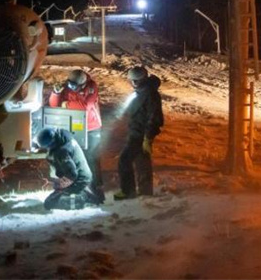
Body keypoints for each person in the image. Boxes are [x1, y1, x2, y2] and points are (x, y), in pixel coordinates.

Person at [48, 69, 104, 202]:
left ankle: (96, 192)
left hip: (91, 128)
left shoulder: (91, 87)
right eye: (70, 84)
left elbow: (85, 107)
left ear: (82, 84)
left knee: (90, 158)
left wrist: (66, 104)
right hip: (73, 128)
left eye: (74, 86)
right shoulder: (67, 87)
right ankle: (76, 189)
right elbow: (54, 105)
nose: (71, 88)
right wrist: (55, 93)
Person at [114, 66, 164, 200]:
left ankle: (128, 191)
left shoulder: (150, 94)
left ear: (144, 79)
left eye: (137, 81)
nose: (134, 83)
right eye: (132, 80)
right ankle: (145, 192)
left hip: (140, 134)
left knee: (124, 160)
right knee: (142, 162)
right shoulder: (141, 91)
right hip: (136, 131)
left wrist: (147, 138)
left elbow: (155, 118)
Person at [34, 126, 101, 210]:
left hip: (79, 179)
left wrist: (60, 186)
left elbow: (72, 174)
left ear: (51, 144)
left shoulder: (62, 152)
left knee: (49, 204)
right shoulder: (63, 136)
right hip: (84, 174)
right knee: (53, 197)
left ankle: (84, 198)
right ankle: (85, 192)